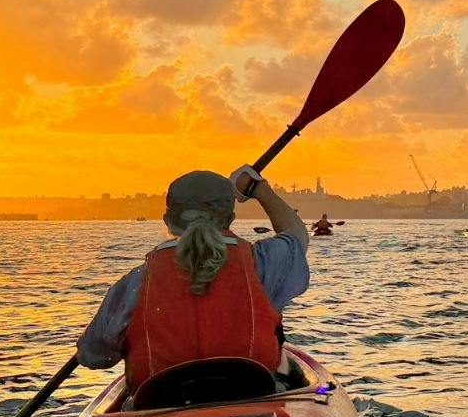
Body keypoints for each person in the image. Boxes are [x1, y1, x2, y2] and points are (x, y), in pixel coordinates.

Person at [77, 166, 311, 396]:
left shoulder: (135, 284)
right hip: (253, 399)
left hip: (159, 413)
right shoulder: (261, 264)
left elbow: (94, 356)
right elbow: (296, 235)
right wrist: (257, 188)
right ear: (230, 219)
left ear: (167, 220)